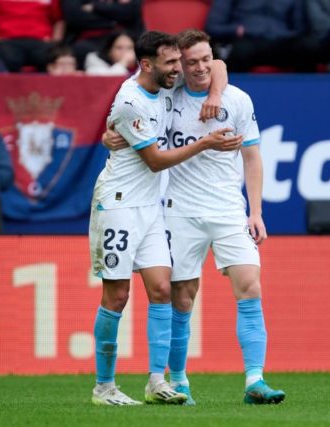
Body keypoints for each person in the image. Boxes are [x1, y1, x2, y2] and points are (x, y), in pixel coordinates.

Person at [104, 29, 285, 406]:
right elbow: (132, 109)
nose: (201, 67)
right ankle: (180, 381)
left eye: (206, 59)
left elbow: (252, 156)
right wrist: (111, 133)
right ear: (178, 67)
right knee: (181, 298)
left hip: (228, 209)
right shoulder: (169, 96)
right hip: (179, 210)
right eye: (190, 62)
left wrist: (256, 211)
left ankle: (255, 380)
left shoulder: (236, 99)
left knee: (250, 286)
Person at [89, 30, 241, 406]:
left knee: (161, 289)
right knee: (117, 295)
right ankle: (104, 388)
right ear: (147, 64)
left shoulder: (163, 88)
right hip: (119, 205)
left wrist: (217, 94)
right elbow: (155, 160)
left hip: (151, 208)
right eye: (171, 63)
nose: (179, 69)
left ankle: (157, 381)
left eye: (179, 61)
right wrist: (204, 142)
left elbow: (217, 64)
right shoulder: (131, 102)